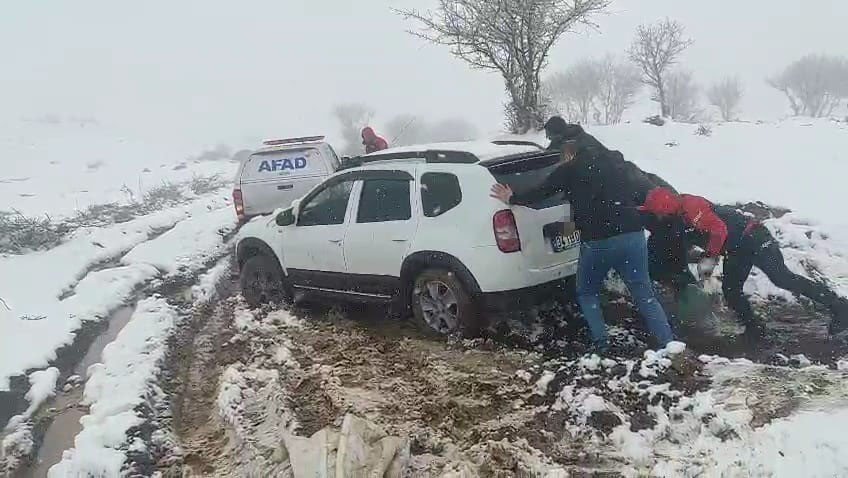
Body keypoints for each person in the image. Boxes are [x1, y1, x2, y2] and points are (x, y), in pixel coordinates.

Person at [490, 141, 675, 353]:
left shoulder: (569, 169)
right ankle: (669, 343)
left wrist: (512, 197)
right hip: (633, 235)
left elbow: (541, 192)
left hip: (598, 240)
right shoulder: (618, 164)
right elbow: (643, 189)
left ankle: (602, 345)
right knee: (644, 294)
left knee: (587, 292)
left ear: (570, 155)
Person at [638, 187, 848, 337]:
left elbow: (718, 231)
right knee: (731, 290)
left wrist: (709, 257)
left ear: (666, 208)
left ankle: (840, 307)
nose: (657, 217)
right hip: (737, 249)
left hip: (755, 238)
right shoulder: (679, 213)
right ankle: (755, 330)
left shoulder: (692, 208)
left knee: (782, 278)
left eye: (657, 213)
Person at [543, 117, 695, 291]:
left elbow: (558, 174)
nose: (547, 139)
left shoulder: (569, 146)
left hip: (627, 187)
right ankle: (674, 272)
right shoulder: (579, 137)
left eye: (549, 136)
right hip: (632, 178)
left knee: (664, 223)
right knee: (667, 222)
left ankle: (670, 276)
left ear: (556, 134)